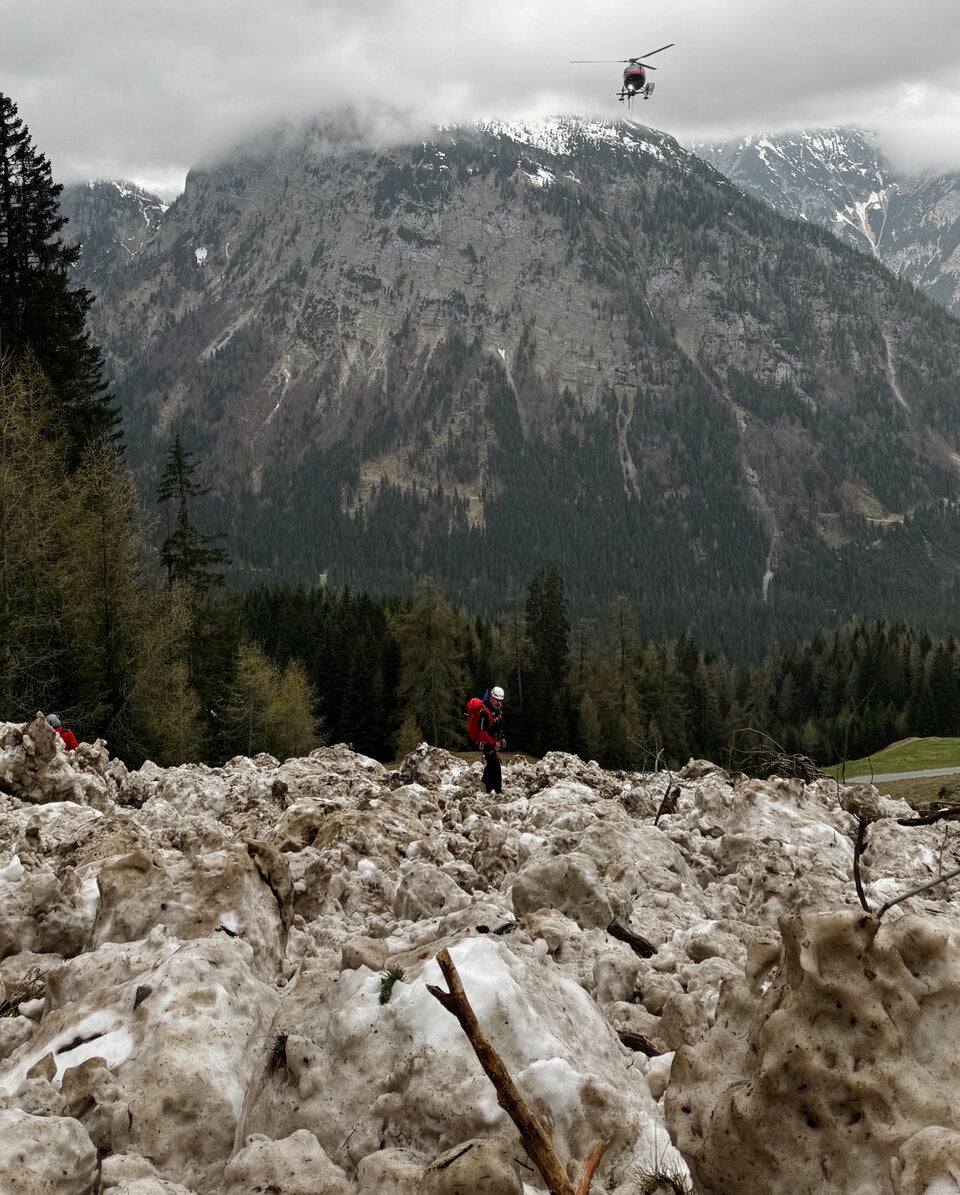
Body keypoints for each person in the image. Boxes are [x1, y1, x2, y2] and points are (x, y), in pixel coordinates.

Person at [477, 685, 506, 795]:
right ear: (491, 698)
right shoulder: (485, 713)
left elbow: (499, 725)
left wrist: (502, 737)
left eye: (500, 701)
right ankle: (496, 791)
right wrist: (493, 743)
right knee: (496, 767)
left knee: (491, 765)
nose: (498, 703)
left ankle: (485, 784)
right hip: (486, 744)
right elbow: (482, 733)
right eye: (496, 700)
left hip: (494, 742)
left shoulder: (498, 711)